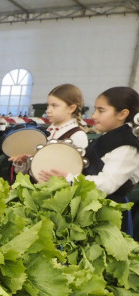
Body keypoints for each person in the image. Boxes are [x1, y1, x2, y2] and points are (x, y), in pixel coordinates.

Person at [35, 86, 139, 233]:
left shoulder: (127, 146)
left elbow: (108, 184)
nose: (94, 116)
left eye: (101, 111)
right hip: (90, 208)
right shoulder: (107, 137)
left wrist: (69, 178)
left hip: (108, 214)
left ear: (122, 114)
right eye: (95, 110)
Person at [10, 84, 89, 178]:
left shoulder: (77, 135)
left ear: (71, 108)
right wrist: (25, 161)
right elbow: (35, 169)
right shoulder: (47, 131)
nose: (48, 110)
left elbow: (75, 172)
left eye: (54, 106)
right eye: (48, 105)